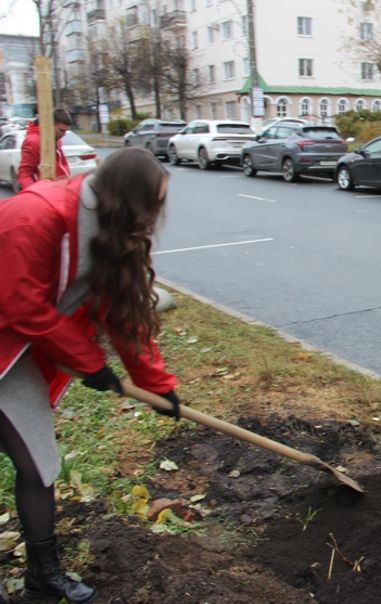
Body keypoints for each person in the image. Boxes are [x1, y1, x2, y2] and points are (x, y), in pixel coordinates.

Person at [0, 147, 182, 603]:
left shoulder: (109, 229)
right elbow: (23, 306)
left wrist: (159, 387)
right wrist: (89, 363)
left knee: (39, 466)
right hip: (11, 333)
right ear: (128, 197)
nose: (155, 216)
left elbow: (122, 314)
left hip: (16, 356)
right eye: (152, 204)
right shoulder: (34, 215)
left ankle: (43, 575)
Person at [17, 108, 73, 192]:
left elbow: (62, 167)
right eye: (61, 130)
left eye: (66, 131)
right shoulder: (33, 142)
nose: (64, 134)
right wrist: (35, 195)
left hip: (58, 191)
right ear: (49, 125)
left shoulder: (55, 139)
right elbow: (25, 174)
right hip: (44, 194)